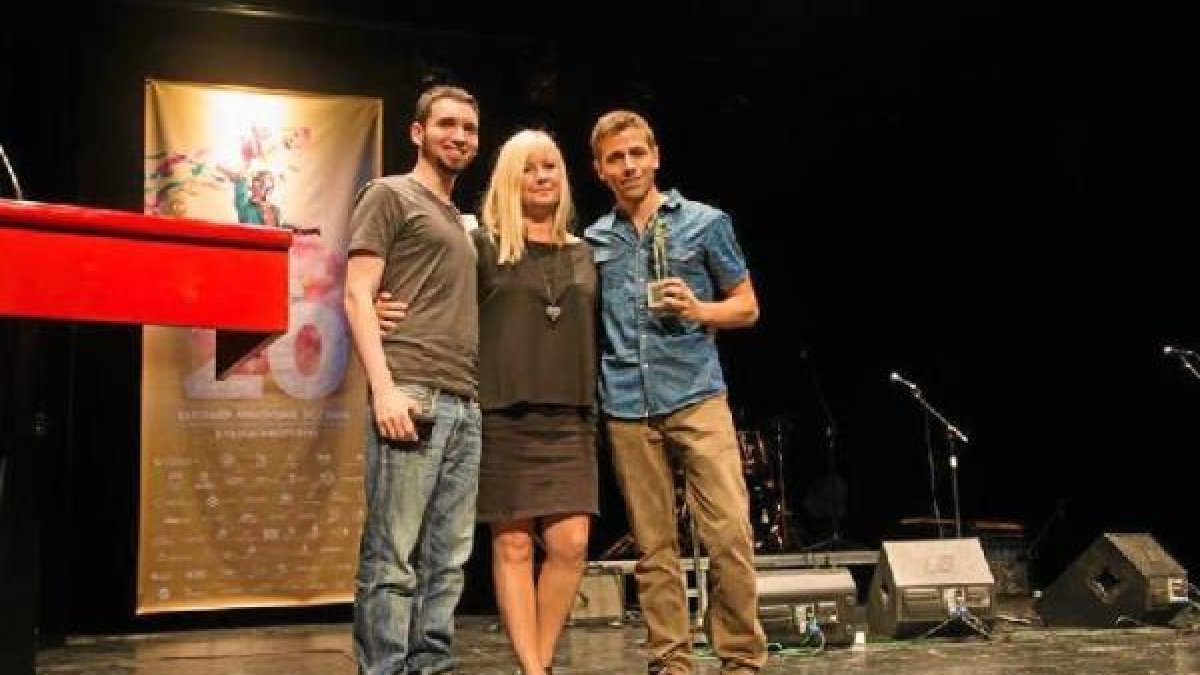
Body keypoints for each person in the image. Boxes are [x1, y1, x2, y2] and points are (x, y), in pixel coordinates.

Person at [377, 129, 598, 675]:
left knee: (570, 544)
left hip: (570, 416)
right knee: (514, 547)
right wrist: (380, 302)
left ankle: (540, 659)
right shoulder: (481, 247)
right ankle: (534, 669)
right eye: (529, 168)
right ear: (508, 180)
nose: (542, 176)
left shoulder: (588, 252)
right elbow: (431, 296)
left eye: (550, 166)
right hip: (502, 413)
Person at [583, 110, 767, 675]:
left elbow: (747, 306)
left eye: (637, 153)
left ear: (656, 156)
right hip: (627, 405)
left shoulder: (705, 223)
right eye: (615, 158)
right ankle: (671, 658)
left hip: (696, 397)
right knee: (653, 545)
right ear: (600, 170)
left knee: (728, 533)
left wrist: (699, 309)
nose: (629, 165)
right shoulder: (593, 241)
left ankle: (741, 656)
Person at [343, 84, 483, 675]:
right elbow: (357, 295)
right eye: (447, 124)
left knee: (447, 561)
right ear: (418, 132)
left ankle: (430, 665)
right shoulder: (390, 194)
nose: (459, 136)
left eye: (469, 129)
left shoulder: (460, 219)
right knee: (392, 555)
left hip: (464, 401)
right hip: (413, 390)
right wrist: (384, 389)